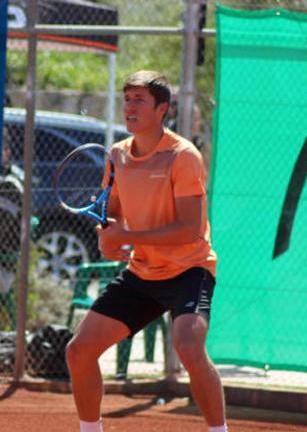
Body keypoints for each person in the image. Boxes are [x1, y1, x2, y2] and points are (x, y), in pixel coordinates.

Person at [65, 70, 227, 432]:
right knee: (79, 351)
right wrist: (106, 235)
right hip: (142, 274)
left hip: (189, 270)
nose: (129, 107)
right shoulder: (117, 156)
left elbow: (190, 229)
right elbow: (114, 214)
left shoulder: (183, 156)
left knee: (188, 345)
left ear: (162, 109)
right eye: (127, 99)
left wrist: (131, 235)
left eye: (139, 100)